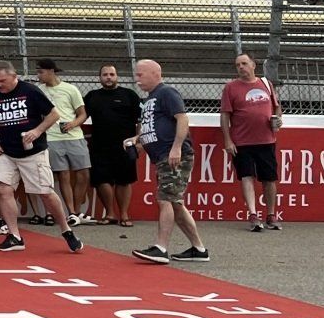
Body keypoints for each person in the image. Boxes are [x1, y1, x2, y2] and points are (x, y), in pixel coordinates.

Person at [0, 59, 83, 255]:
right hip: (6, 151)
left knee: (45, 192)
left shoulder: (30, 91)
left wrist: (37, 130)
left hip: (33, 152)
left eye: (3, 81)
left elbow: (53, 114)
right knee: (3, 189)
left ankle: (66, 230)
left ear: (13, 76)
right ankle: (14, 235)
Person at [131, 59, 209, 265]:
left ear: (156, 73)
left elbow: (182, 119)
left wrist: (176, 148)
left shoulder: (166, 93)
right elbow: (154, 127)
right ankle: (199, 249)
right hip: (164, 156)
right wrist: (137, 140)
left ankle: (161, 248)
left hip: (172, 155)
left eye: (141, 74)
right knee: (174, 202)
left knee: (165, 198)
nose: (136, 79)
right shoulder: (151, 99)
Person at [221, 52, 284, 231]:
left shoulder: (266, 84)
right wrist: (228, 140)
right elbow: (225, 115)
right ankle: (253, 214)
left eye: (244, 63)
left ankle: (271, 214)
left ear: (253, 65)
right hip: (242, 141)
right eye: (238, 65)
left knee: (269, 178)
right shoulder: (231, 88)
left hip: (266, 139)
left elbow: (277, 107)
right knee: (246, 177)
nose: (241, 67)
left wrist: (277, 120)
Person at [82, 64, 143, 227]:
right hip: (99, 145)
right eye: (105, 74)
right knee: (102, 179)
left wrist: (138, 140)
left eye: (111, 74)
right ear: (99, 77)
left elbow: (141, 120)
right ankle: (110, 213)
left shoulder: (130, 95)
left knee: (124, 180)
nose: (108, 77)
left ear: (117, 76)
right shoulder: (91, 96)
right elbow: (79, 116)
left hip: (125, 145)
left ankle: (124, 214)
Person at [36, 59, 90, 227]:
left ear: (51, 71)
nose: (38, 75)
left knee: (84, 173)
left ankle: (76, 208)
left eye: (41, 72)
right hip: (51, 137)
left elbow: (82, 113)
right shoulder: (38, 91)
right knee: (63, 175)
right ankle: (72, 212)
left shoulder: (70, 88)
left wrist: (73, 123)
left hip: (74, 136)